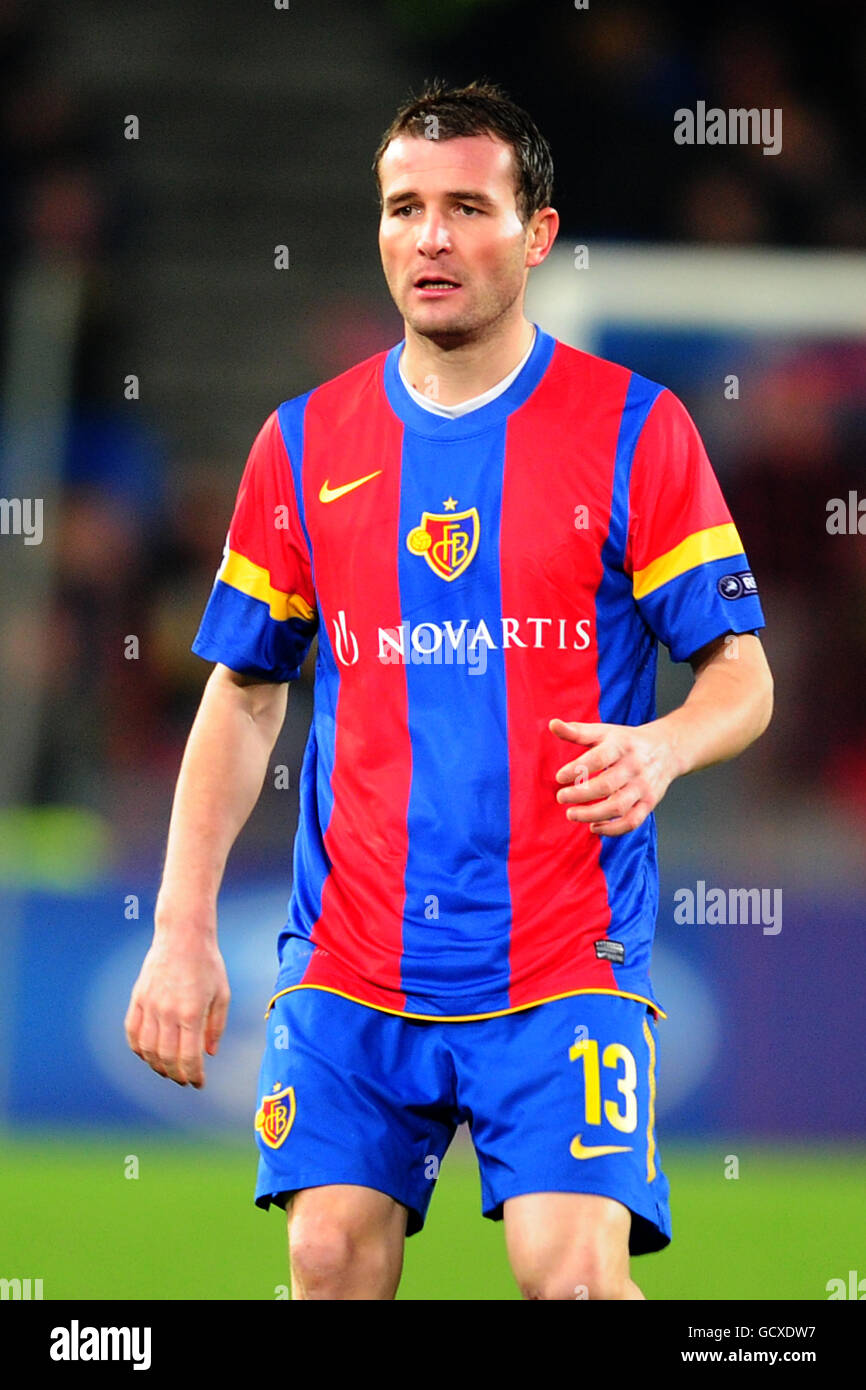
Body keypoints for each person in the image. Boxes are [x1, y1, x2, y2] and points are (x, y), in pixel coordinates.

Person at [125, 79, 773, 1300]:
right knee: (325, 1256)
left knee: (565, 1276)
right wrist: (179, 926)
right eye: (403, 207)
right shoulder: (303, 443)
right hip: (351, 951)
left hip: (561, 954)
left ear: (534, 235)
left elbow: (742, 678)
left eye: (467, 207)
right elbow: (246, 693)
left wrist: (666, 748)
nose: (429, 237)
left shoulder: (637, 429)